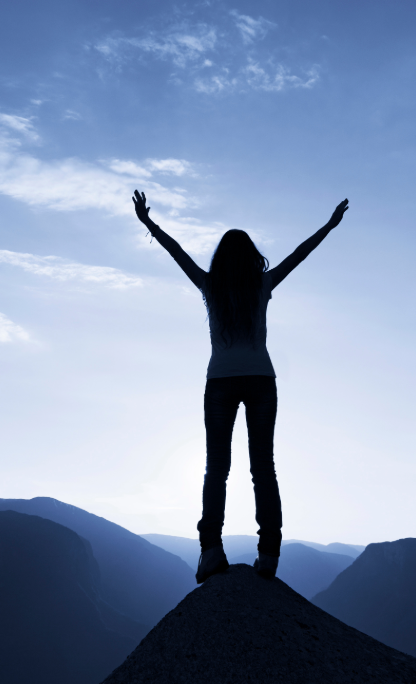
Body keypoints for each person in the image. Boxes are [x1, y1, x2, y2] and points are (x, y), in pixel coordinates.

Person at [133, 190, 349, 583]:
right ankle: (268, 556)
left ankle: (211, 551)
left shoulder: (210, 286)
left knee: (216, 469)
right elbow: (299, 255)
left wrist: (148, 223)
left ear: (221, 258)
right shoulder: (261, 285)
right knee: (262, 468)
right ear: (251, 256)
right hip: (262, 381)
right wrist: (329, 226)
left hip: (219, 383)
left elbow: (176, 252)